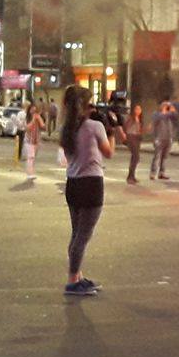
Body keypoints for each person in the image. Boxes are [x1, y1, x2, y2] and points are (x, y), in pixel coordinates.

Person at [59, 85, 113, 296]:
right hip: (91, 184)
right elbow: (108, 152)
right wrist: (112, 129)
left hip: (73, 184)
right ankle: (73, 280)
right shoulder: (94, 126)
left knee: (76, 233)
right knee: (83, 236)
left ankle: (77, 275)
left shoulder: (66, 129)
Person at [150, 101, 175, 180]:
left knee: (164, 157)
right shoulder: (156, 114)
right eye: (164, 105)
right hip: (159, 138)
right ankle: (153, 173)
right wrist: (164, 110)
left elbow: (176, 116)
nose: (166, 106)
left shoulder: (169, 115)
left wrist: (172, 109)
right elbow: (159, 118)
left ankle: (162, 173)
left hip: (168, 138)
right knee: (157, 156)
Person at [21, 103, 45, 180]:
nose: (33, 111)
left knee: (33, 157)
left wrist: (39, 118)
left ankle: (31, 172)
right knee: (30, 157)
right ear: (29, 110)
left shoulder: (38, 117)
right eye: (32, 110)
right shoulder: (27, 118)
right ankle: (29, 174)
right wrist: (34, 119)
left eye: (35, 110)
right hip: (29, 140)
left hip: (36, 140)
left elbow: (43, 126)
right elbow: (27, 128)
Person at [125, 103, 144, 184]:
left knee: (135, 157)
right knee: (136, 156)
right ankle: (130, 176)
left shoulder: (139, 119)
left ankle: (131, 176)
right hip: (131, 137)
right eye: (136, 109)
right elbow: (126, 127)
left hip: (137, 137)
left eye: (139, 109)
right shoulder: (130, 118)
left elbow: (139, 130)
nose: (138, 111)